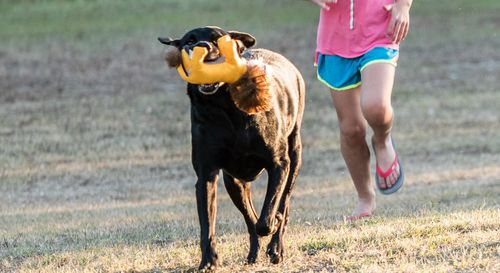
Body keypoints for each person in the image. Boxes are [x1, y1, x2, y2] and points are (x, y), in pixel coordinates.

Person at [309, 0, 413, 220]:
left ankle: (382, 140)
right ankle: (365, 197)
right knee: (351, 129)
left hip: (381, 28)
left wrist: (403, 6)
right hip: (335, 37)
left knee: (375, 107)